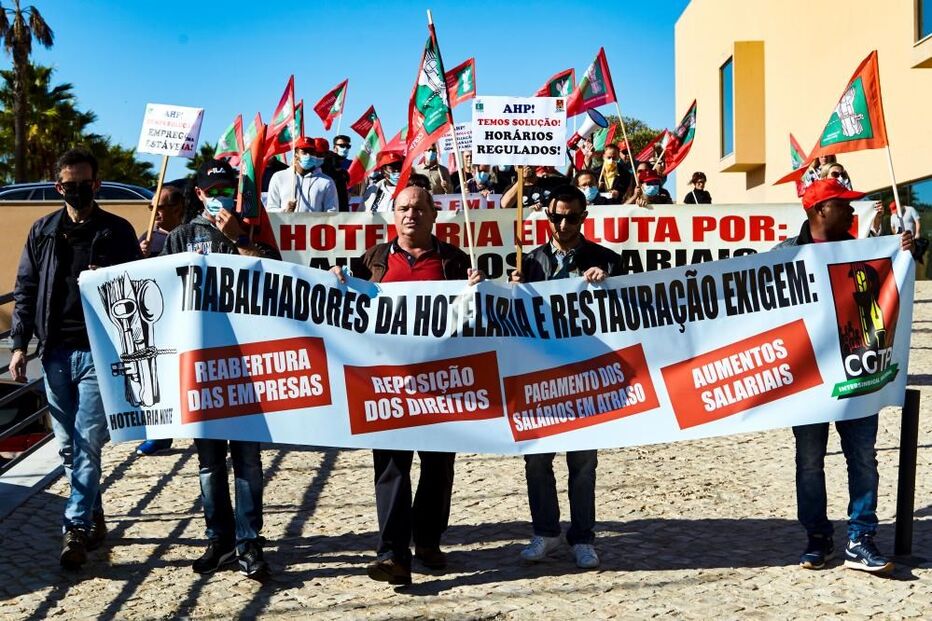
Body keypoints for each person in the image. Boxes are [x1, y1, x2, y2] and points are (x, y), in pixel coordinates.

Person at [330, 186, 484, 585]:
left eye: (419, 208)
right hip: (388, 385)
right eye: (403, 208)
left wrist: (479, 287)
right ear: (392, 216)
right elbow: (345, 307)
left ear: (435, 215)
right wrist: (337, 281)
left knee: (438, 466)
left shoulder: (454, 261)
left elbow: (476, 315)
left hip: (441, 383)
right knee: (392, 468)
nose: (410, 214)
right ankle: (392, 553)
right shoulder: (373, 262)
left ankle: (428, 540)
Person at [9, 147, 142, 569]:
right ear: (58, 186)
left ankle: (76, 527)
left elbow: (136, 289)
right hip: (53, 354)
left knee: (86, 442)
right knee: (67, 445)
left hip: (97, 354)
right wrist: (17, 345)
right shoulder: (42, 230)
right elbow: (26, 288)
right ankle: (94, 513)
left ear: (96, 184)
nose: (77, 190)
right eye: (69, 184)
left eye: (84, 183)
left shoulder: (116, 231)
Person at [773, 178, 913, 574]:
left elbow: (889, 288)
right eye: (844, 206)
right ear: (820, 211)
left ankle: (860, 537)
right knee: (809, 461)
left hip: (858, 374)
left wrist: (900, 253)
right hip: (807, 381)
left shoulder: (866, 250)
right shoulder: (784, 255)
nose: (854, 212)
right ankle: (817, 538)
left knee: (863, 458)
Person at [163, 159, 281, 579]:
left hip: (248, 364)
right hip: (200, 366)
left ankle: (250, 541)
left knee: (248, 459)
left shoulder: (254, 232)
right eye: (213, 188)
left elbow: (277, 281)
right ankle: (219, 540)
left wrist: (237, 240)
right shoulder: (178, 238)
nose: (221, 194)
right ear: (199, 194)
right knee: (210, 462)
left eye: (227, 186)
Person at [510, 185, 622, 569]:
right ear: (547, 217)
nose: (563, 224)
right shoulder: (528, 263)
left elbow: (634, 311)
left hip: (586, 378)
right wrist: (508, 289)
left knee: (583, 463)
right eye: (557, 216)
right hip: (537, 377)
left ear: (584, 217)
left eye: (572, 217)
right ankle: (545, 531)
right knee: (537, 461)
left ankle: (583, 537)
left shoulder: (607, 260)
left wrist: (608, 282)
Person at [266, 137, 338, 213]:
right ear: (296, 154)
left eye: (312, 152)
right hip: (285, 224)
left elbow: (332, 212)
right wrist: (284, 211)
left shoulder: (327, 181)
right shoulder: (279, 177)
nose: (308, 155)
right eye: (304, 152)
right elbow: (270, 209)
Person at [323, 134, 352, 211]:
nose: (345, 148)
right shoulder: (325, 162)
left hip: (343, 208)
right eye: (342, 146)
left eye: (348, 146)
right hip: (328, 208)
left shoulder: (351, 164)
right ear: (334, 147)